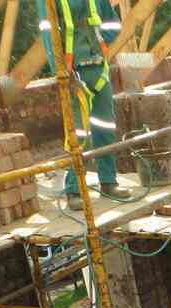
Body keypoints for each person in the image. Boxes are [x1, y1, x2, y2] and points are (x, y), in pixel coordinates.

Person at [38, 0, 133, 209]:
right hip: (73, 73)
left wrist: (102, 43)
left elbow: (112, 24)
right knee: (77, 134)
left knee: (105, 128)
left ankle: (108, 181)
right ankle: (74, 189)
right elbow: (48, 34)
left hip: (98, 69)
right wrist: (60, 71)